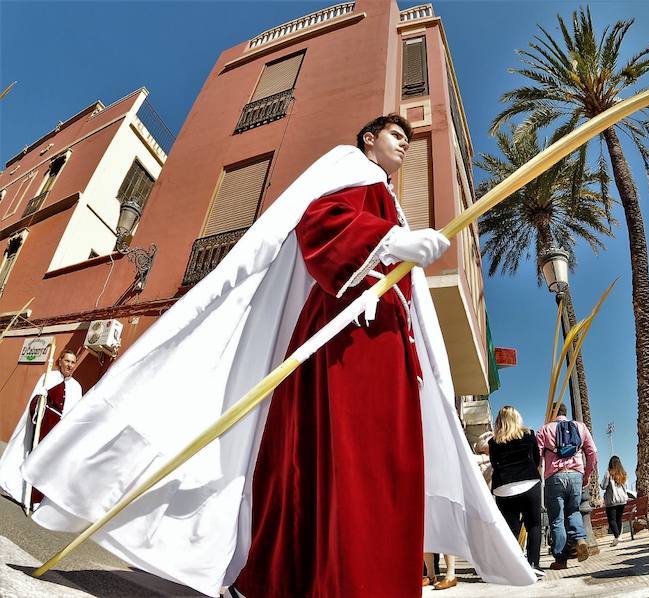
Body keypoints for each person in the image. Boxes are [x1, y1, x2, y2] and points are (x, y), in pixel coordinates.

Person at [21, 116, 536, 597]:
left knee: (382, 462)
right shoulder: (350, 168)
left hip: (383, 333)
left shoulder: (385, 195)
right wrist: (392, 243)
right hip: (350, 331)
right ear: (367, 140)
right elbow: (320, 223)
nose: (403, 139)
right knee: (349, 456)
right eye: (391, 132)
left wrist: (396, 245)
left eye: (406, 135)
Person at [0, 348, 82, 510]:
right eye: (67, 361)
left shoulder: (77, 387)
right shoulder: (49, 377)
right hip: (43, 425)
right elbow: (34, 403)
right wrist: (40, 400)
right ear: (60, 361)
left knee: (47, 465)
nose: (70, 365)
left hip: (58, 433)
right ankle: (23, 493)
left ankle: (38, 500)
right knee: (33, 459)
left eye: (73, 362)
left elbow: (75, 415)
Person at [535, 402, 597, 570]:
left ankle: (561, 560)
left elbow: (536, 457)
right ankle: (580, 539)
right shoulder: (580, 427)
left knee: (556, 519)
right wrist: (587, 474)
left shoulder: (544, 430)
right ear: (565, 412)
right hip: (576, 474)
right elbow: (592, 453)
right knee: (574, 511)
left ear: (552, 412)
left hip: (554, 477)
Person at [488, 406, 543, 574]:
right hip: (528, 482)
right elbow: (536, 459)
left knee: (510, 528)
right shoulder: (529, 435)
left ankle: (513, 567)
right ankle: (533, 564)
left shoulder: (493, 442)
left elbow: (494, 464)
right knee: (533, 524)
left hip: (504, 487)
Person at [600, 456, 629, 546]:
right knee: (618, 519)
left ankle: (617, 537)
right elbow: (626, 486)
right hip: (622, 500)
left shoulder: (608, 473)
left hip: (612, 500)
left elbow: (603, 486)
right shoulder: (623, 474)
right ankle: (618, 537)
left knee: (612, 520)